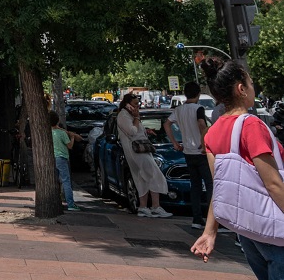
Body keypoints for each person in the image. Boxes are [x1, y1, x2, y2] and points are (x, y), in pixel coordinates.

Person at [193, 57, 284, 279]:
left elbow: (221, 187)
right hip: (275, 230)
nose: (254, 88)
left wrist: (209, 231)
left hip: (247, 231)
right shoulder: (251, 125)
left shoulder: (213, 132)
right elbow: (273, 184)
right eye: (251, 83)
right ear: (241, 89)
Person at [115, 92, 172, 217]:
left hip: (139, 151)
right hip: (136, 152)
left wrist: (145, 130)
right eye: (135, 104)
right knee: (154, 174)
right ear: (127, 104)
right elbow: (132, 131)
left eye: (138, 104)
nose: (137, 107)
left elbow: (135, 130)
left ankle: (143, 206)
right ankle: (155, 206)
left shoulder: (128, 115)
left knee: (142, 178)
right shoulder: (124, 116)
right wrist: (136, 118)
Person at [167, 80, 212, 231]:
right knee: (210, 184)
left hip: (187, 151)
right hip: (201, 152)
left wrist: (174, 142)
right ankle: (214, 220)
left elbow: (167, 123)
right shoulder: (198, 108)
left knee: (196, 186)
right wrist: (204, 141)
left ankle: (197, 219)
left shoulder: (179, 110)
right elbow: (201, 124)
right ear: (198, 94)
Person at [50, 111, 82, 212]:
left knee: (56, 181)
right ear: (58, 120)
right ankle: (70, 204)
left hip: (53, 158)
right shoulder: (62, 133)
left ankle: (55, 201)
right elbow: (70, 146)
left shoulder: (49, 132)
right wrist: (72, 137)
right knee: (66, 181)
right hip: (62, 158)